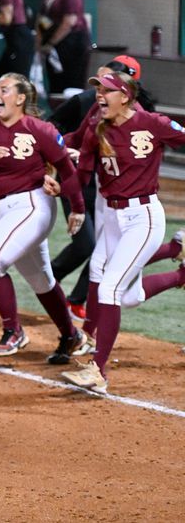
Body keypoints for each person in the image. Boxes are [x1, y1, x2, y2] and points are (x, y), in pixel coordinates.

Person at [60, 73, 185, 392]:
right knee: (124, 295)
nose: (99, 96)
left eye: (106, 91)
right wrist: (67, 197)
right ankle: (180, 271)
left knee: (110, 288)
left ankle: (98, 371)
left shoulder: (153, 123)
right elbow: (83, 174)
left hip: (143, 217)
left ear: (125, 96)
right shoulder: (95, 129)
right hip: (114, 219)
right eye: (97, 90)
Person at [0, 73, 89, 362]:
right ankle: (72, 336)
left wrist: (78, 208)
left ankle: (13, 331)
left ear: (20, 98)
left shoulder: (39, 129)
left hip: (31, 206)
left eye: (4, 90)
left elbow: (67, 169)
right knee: (41, 279)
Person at [38, 0, 93, 95]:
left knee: (70, 83)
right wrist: (40, 41)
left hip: (71, 44)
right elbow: (44, 18)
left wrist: (51, 43)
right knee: (55, 83)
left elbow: (69, 21)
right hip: (54, 43)